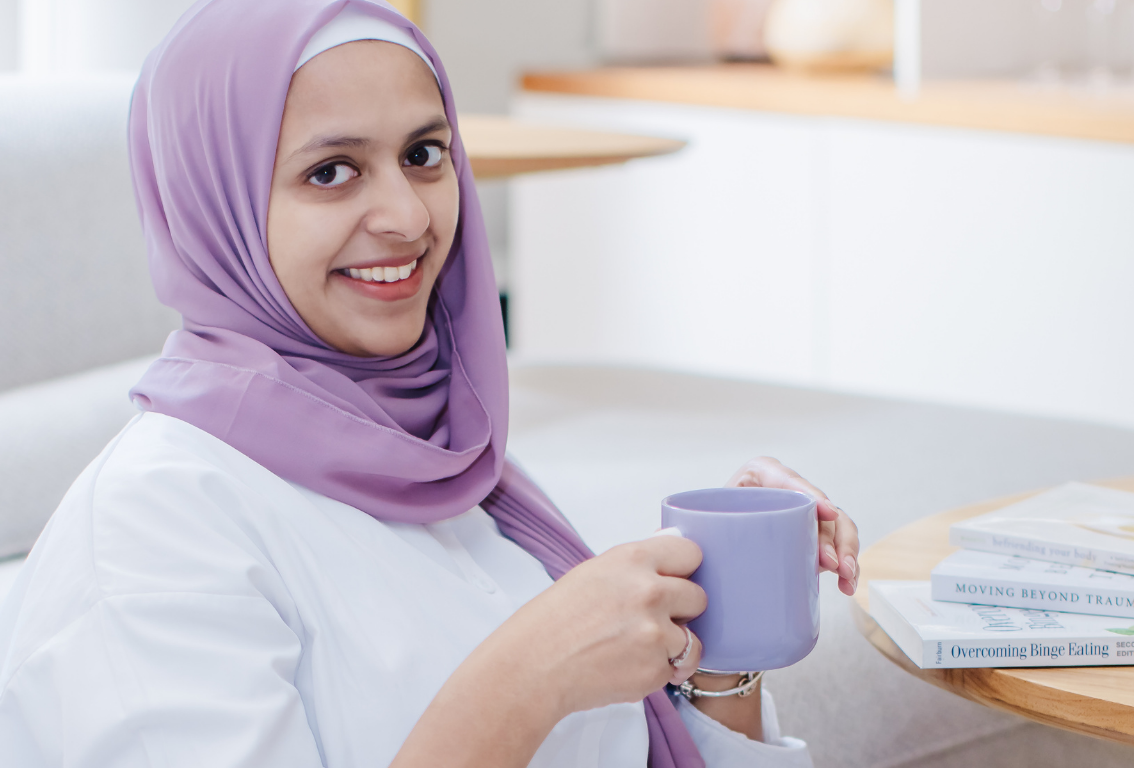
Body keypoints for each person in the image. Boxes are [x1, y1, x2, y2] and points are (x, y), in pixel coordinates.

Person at [0, 1, 860, 766]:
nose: (409, 217)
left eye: (424, 154)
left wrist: (722, 629)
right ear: (211, 205)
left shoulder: (443, 460)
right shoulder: (150, 535)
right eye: (330, 171)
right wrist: (527, 678)